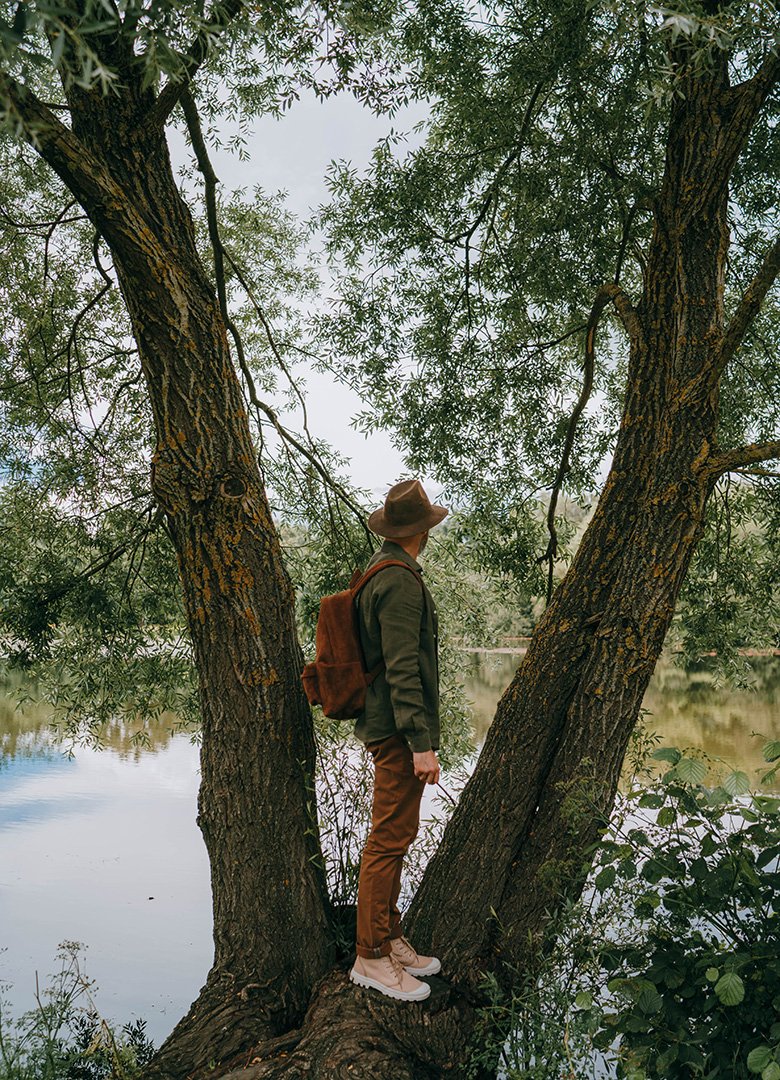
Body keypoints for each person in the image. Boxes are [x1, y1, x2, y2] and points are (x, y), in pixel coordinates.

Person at [349, 478, 448, 1002]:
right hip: (396, 733)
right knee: (387, 841)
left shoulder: (380, 571)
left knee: (395, 834)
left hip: (389, 728)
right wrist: (420, 741)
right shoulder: (400, 582)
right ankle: (369, 956)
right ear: (420, 532)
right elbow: (403, 670)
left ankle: (388, 940)